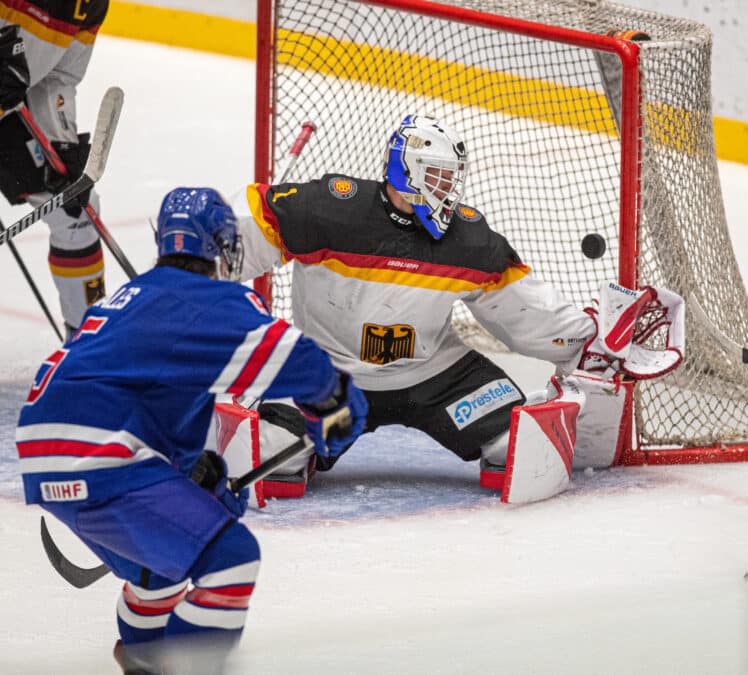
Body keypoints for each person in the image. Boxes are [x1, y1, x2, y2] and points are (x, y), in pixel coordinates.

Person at [16, 187, 367, 673]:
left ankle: (143, 660)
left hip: (41, 451)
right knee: (233, 560)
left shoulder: (132, 298)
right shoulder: (207, 298)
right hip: (100, 450)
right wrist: (337, 405)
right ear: (222, 247)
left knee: (160, 571)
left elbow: (152, 403)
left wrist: (193, 478)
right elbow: (299, 361)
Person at [235, 114, 681, 496]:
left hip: (436, 375)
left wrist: (589, 339)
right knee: (269, 457)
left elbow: (521, 308)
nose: (448, 188)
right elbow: (237, 234)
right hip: (328, 373)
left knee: (520, 449)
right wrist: (193, 269)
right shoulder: (326, 210)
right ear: (405, 171)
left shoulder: (466, 240)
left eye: (452, 178)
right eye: (437, 175)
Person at [0, 2, 110, 335]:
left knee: (75, 213)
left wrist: (63, 142)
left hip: (10, 105)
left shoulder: (90, 4)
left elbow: (60, 77)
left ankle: (86, 344)